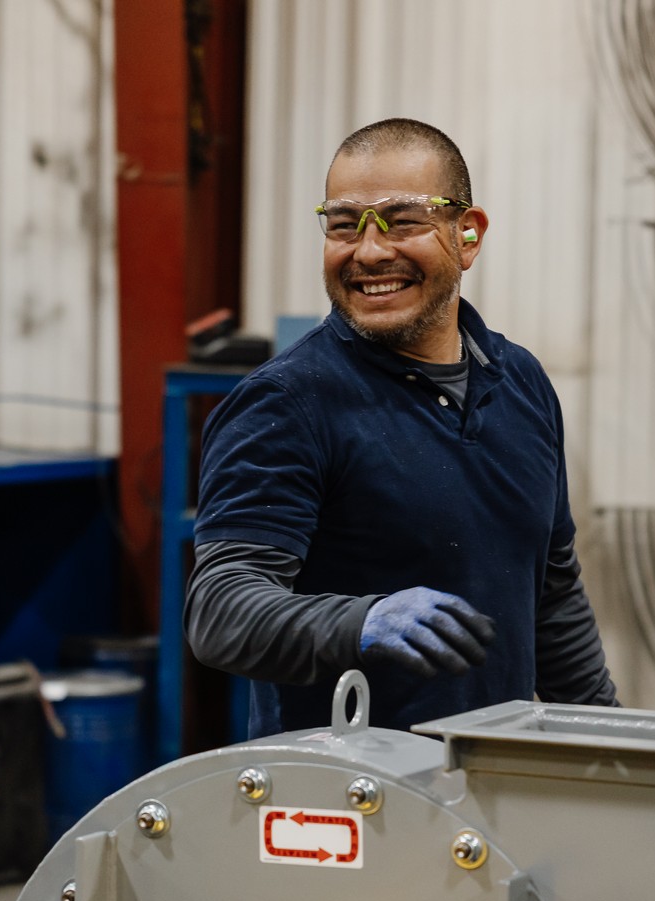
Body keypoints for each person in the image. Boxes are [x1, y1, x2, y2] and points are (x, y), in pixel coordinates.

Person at [186, 117, 617, 735]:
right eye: (343, 225)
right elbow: (221, 611)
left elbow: (550, 593)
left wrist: (608, 739)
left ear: (467, 235)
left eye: (403, 220)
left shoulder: (520, 382)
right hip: (346, 802)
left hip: (493, 785)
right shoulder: (287, 402)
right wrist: (361, 622)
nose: (369, 251)